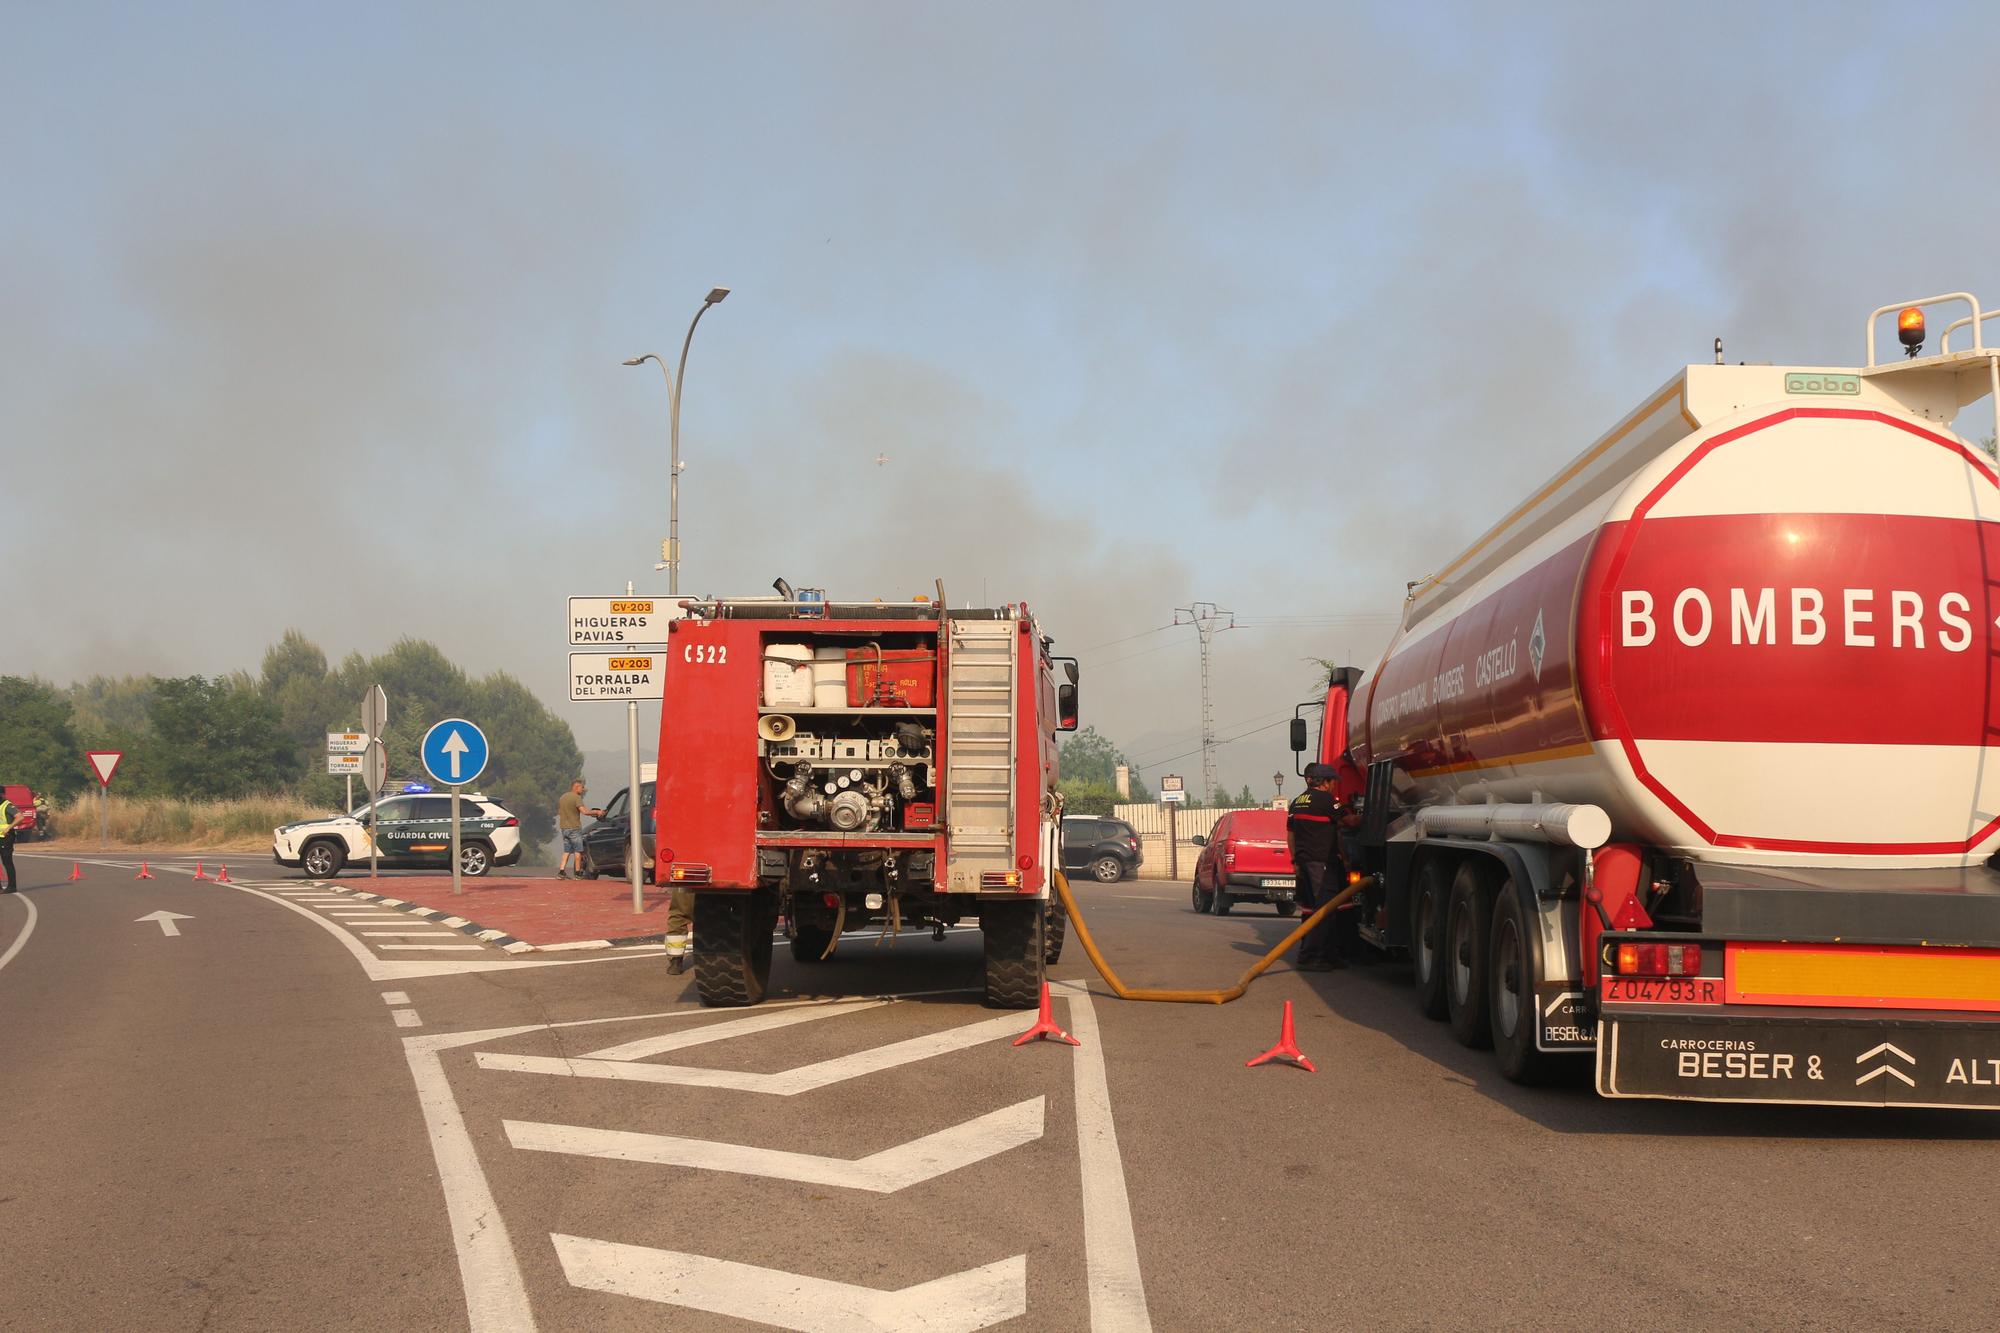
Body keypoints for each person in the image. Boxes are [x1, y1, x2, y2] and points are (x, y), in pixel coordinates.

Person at [1287, 762, 1354, 972]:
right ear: (1325, 782)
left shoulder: (1297, 802)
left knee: (1310, 909)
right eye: (1333, 782)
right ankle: (1309, 957)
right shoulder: (1327, 801)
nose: (1335, 786)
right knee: (1324, 910)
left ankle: (1328, 955)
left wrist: (1295, 861)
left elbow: (1291, 835)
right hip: (1321, 864)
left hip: (1304, 862)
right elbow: (1349, 822)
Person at [554, 779, 602, 880]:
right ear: (576, 787)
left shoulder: (563, 797)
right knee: (578, 851)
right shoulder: (576, 798)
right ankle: (577, 873)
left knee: (567, 851)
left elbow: (559, 812)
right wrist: (597, 812)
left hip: (564, 827)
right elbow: (584, 811)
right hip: (574, 828)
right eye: (582, 788)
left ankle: (561, 872)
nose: (583, 790)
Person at [0, 790, 24, 893]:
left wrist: (9, 827)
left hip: (6, 837)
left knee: (7, 861)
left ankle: (12, 886)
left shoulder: (7, 805)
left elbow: (20, 817)